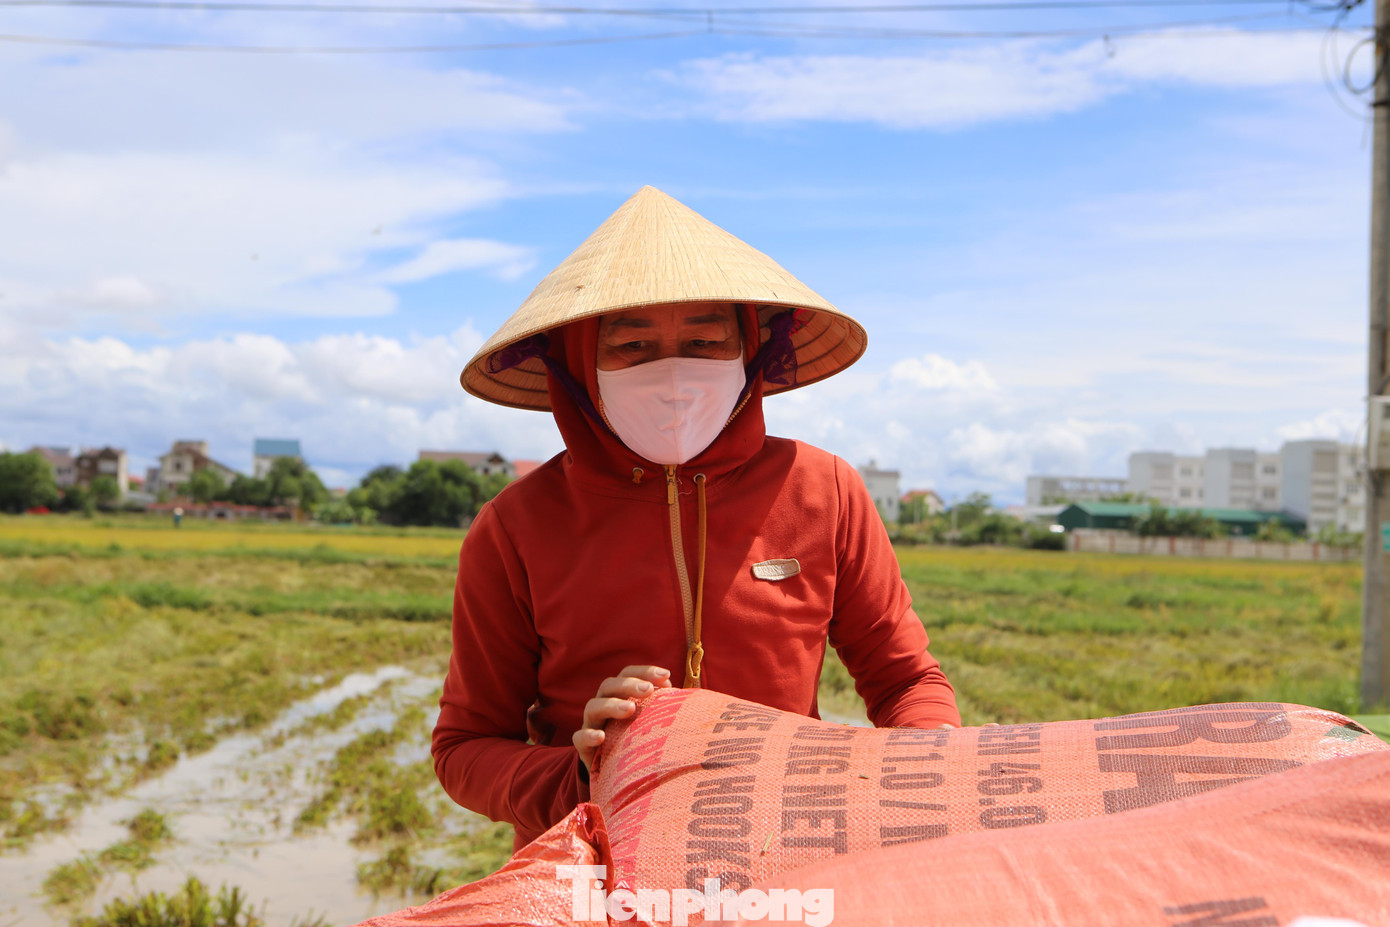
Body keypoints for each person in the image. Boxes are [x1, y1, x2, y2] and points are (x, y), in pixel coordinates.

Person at [432, 186, 960, 851]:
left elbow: (907, 679)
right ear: (578, 363)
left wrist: (924, 761)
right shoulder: (516, 525)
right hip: (594, 872)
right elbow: (465, 746)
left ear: (750, 352)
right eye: (633, 345)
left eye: (705, 339)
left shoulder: (825, 491)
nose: (673, 370)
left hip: (784, 857)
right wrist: (583, 774)